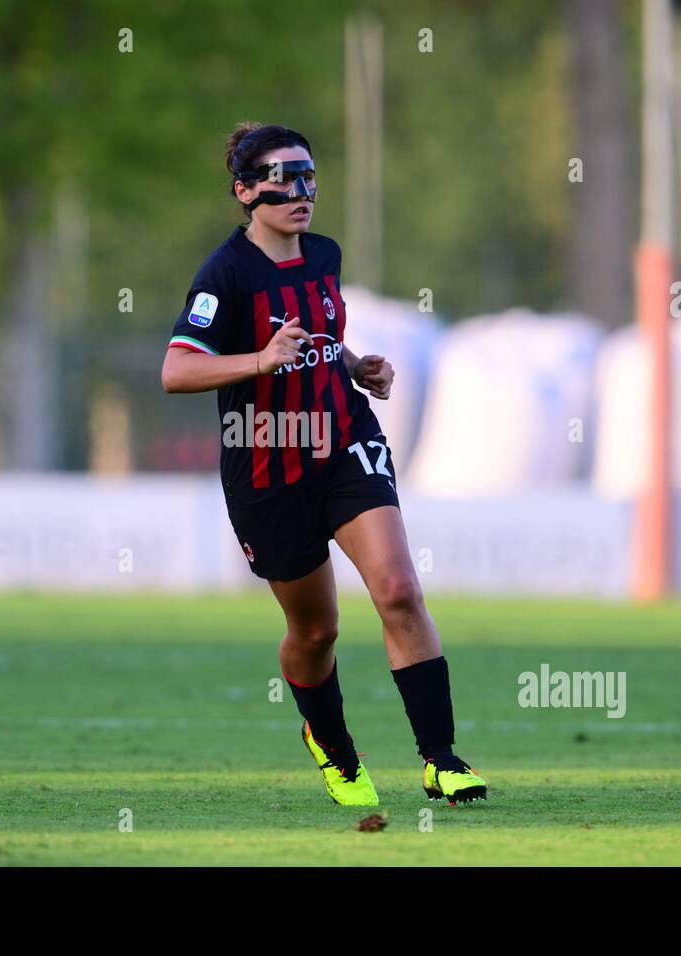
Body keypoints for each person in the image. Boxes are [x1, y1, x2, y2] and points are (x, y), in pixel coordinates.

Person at [162, 123, 485, 805]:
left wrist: (354, 364)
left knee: (398, 588)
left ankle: (441, 759)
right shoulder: (224, 274)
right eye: (283, 177)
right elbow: (175, 370)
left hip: (341, 439)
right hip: (265, 464)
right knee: (316, 630)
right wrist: (258, 361)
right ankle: (331, 744)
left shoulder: (324, 255)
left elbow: (318, 337)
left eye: (309, 176)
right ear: (245, 189)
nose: (301, 191)